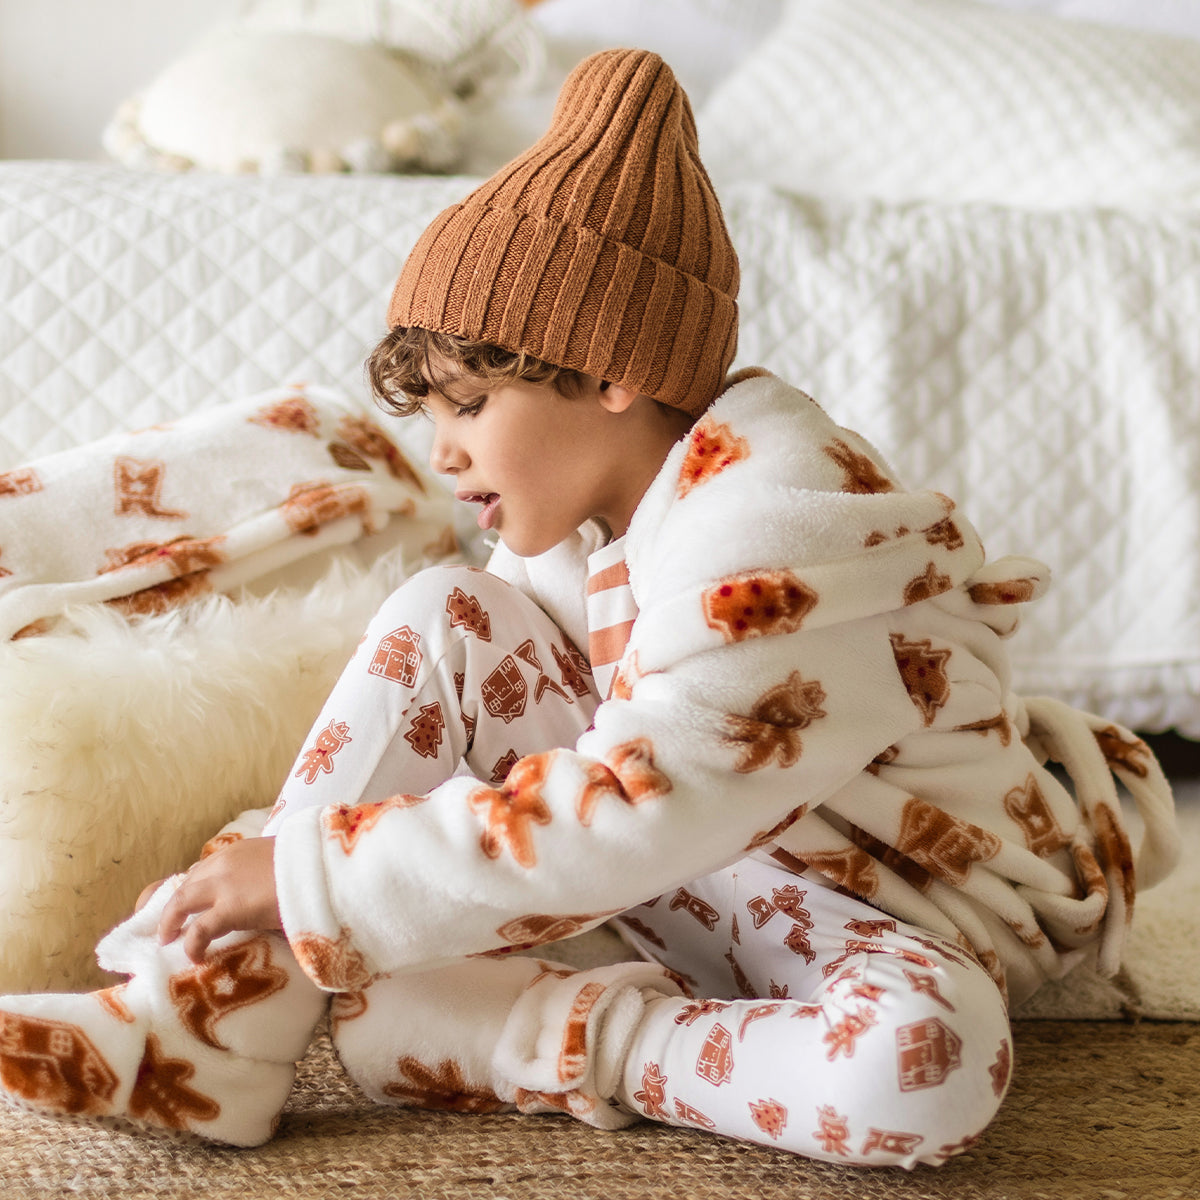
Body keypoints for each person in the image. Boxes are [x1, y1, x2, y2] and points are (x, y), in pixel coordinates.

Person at [0, 48, 1178, 1168]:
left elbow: (636, 804)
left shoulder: (780, 535)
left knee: (925, 1062)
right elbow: (560, 780)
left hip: (872, 912)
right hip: (695, 885)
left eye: (470, 403)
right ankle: (208, 1026)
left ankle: (578, 1040)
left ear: (612, 371)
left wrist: (310, 879)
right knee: (444, 616)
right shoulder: (578, 535)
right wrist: (320, 889)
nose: (445, 451)